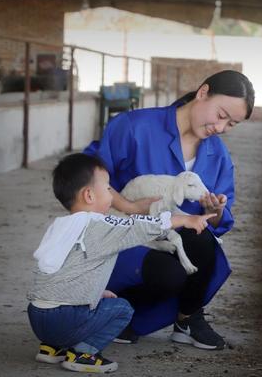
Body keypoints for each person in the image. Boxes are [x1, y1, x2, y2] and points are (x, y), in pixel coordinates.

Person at [83, 70, 255, 350]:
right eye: (221, 114)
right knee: (169, 274)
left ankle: (187, 318)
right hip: (125, 233)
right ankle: (119, 310)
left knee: (203, 242)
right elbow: (89, 177)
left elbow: (222, 222)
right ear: (202, 93)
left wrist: (215, 210)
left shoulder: (217, 155)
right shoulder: (133, 127)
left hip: (169, 237)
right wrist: (126, 205)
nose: (221, 128)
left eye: (231, 124)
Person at [27, 153, 214, 373]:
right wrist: (185, 219)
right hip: (64, 319)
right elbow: (139, 225)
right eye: (107, 188)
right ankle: (83, 353)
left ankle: (52, 348)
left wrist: (95, 292)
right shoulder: (100, 224)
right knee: (122, 309)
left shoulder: (59, 225)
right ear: (88, 195)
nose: (111, 193)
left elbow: (62, 271)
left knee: (98, 299)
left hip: (36, 315)